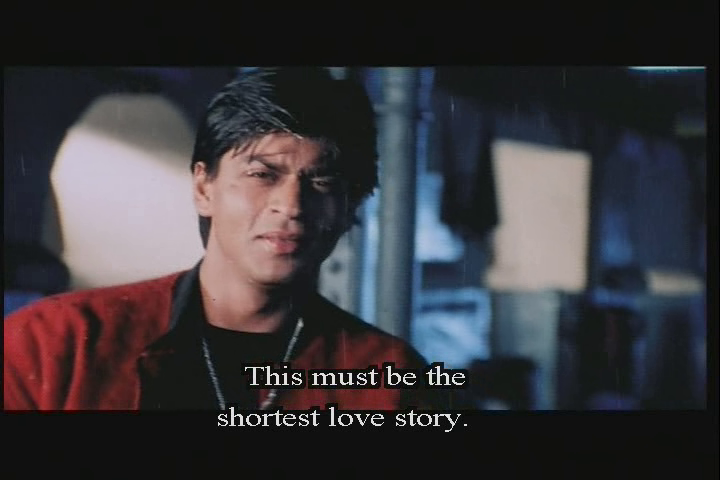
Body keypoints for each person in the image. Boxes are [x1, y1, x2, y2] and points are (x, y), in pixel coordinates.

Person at [4, 67, 442, 411]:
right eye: (262, 174)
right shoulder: (53, 343)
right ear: (203, 188)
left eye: (322, 182)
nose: (291, 205)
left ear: (351, 208)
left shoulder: (389, 378)